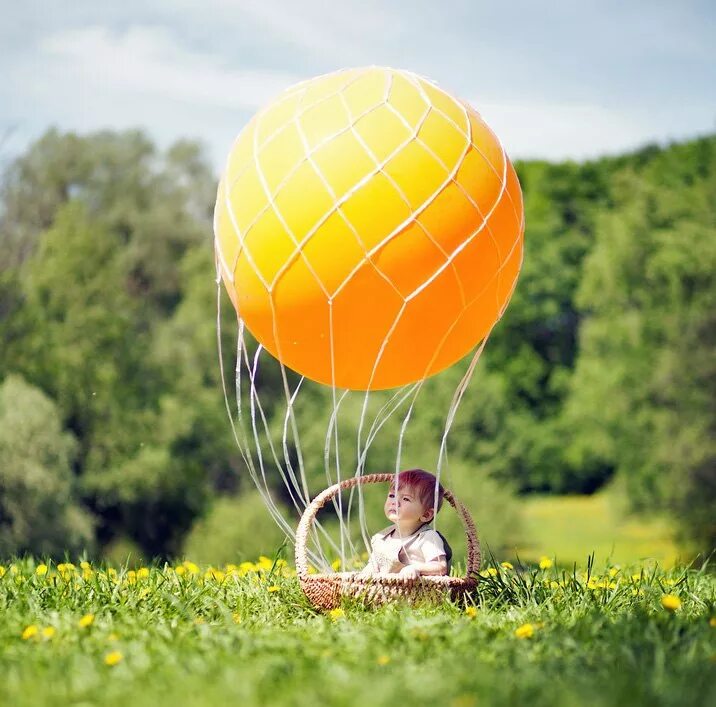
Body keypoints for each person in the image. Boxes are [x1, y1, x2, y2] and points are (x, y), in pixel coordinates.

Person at [360, 469, 451, 578]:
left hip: (418, 592)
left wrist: (415, 568)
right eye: (392, 496)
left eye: (406, 499)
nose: (395, 502)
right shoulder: (382, 538)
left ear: (426, 515)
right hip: (384, 592)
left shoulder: (427, 538)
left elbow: (440, 567)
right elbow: (374, 566)